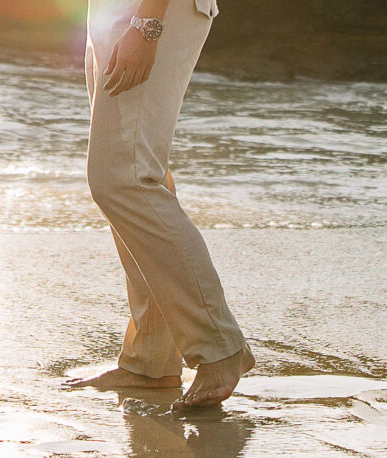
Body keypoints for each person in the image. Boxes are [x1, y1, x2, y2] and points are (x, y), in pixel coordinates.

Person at [65, 0, 254, 409]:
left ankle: (219, 345)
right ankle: (149, 360)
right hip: (114, 13)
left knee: (125, 179)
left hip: (151, 12)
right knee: (134, 171)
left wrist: (148, 23)